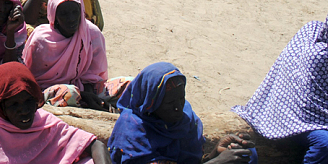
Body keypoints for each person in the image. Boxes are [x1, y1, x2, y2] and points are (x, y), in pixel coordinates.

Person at [0, 62, 112, 164]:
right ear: (1, 106)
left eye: (28, 101)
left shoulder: (45, 123)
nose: (24, 111)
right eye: (14, 105)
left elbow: (95, 145)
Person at [109, 62, 257, 164]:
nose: (178, 107)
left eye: (181, 99)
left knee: (246, 154)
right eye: (169, 103)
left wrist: (217, 152)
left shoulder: (185, 121)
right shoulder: (133, 131)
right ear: (150, 104)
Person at [233, 14, 328, 164]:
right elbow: (301, 93)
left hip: (317, 116)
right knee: (325, 144)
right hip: (297, 117)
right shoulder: (312, 37)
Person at [24, 0, 130, 110]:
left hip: (89, 89)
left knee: (130, 85)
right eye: (64, 14)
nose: (71, 19)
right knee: (70, 94)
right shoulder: (41, 40)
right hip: (54, 92)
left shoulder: (92, 34)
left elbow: (93, 74)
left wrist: (90, 94)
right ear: (54, 16)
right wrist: (83, 95)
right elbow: (33, 81)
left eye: (75, 12)